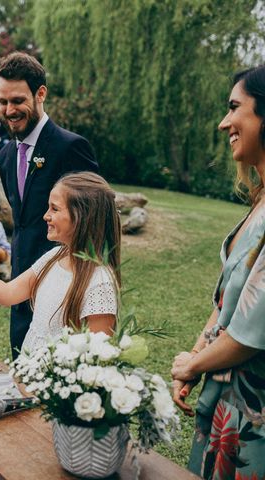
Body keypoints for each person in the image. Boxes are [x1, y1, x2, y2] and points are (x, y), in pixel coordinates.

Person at [170, 66, 265, 479]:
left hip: (254, 411)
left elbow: (250, 332)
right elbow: (227, 300)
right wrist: (196, 355)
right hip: (225, 398)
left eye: (234, 107)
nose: (224, 122)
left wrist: (193, 365)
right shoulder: (259, 203)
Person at [0, 172, 119, 353]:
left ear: (82, 217)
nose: (45, 216)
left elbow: (96, 360)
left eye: (54, 209)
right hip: (25, 372)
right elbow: (7, 293)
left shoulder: (99, 283)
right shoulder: (54, 257)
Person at [0, 52, 99, 357]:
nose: (9, 110)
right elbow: (23, 220)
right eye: (3, 102)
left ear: (41, 94)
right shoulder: (5, 156)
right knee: (20, 368)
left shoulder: (71, 148)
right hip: (21, 283)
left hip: (63, 287)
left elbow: (94, 223)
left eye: (17, 101)